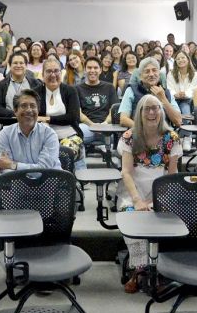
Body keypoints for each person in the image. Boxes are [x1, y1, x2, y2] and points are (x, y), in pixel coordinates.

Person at [118, 95, 182, 293]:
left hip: (162, 192)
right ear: (140, 112)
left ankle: (159, 268)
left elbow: (173, 176)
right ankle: (140, 269)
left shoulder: (171, 138)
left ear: (162, 112)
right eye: (147, 109)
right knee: (132, 214)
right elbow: (126, 173)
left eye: (156, 108)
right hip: (134, 191)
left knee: (163, 218)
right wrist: (137, 200)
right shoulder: (129, 136)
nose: (152, 112)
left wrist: (156, 200)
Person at [0, 89, 62, 171]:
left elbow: (45, 169)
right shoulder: (5, 134)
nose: (29, 110)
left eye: (33, 106)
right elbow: (4, 167)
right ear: (15, 111)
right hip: (17, 182)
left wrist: (13, 165)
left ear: (38, 110)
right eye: (24, 106)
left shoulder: (49, 134)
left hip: (49, 182)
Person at [34, 59, 84, 166]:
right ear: (42, 75)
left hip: (69, 135)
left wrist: (47, 119)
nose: (53, 75)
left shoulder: (70, 91)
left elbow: (73, 117)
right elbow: (33, 117)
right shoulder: (35, 93)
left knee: (64, 155)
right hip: (43, 137)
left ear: (61, 73)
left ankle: (66, 181)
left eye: (56, 71)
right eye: (49, 71)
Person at [118, 57, 182, 128]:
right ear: (140, 76)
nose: (151, 74)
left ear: (159, 73)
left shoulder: (167, 93)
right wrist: (144, 131)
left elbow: (178, 121)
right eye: (147, 71)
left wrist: (163, 99)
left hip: (164, 135)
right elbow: (123, 120)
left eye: (154, 70)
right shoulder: (131, 90)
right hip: (140, 135)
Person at [77, 56, 119, 144]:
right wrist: (92, 125)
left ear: (100, 70)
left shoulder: (109, 87)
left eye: (95, 68)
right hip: (86, 126)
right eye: (89, 68)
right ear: (85, 70)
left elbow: (113, 110)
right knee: (76, 137)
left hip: (107, 125)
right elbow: (78, 113)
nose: (92, 70)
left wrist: (105, 123)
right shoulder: (77, 89)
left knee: (117, 139)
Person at [0, 52, 41, 118]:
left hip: (31, 121)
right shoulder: (1, 85)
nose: (18, 66)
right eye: (15, 63)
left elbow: (41, 105)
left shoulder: (35, 83)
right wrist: (17, 115)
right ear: (10, 65)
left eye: (21, 63)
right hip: (9, 122)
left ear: (26, 66)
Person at [166, 50, 197, 115]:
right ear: (175, 61)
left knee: (185, 109)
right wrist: (175, 94)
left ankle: (187, 123)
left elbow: (193, 90)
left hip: (188, 100)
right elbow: (170, 88)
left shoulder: (196, 74)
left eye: (183, 58)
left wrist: (185, 94)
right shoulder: (170, 74)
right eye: (178, 59)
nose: (180, 60)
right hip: (174, 99)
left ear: (188, 59)